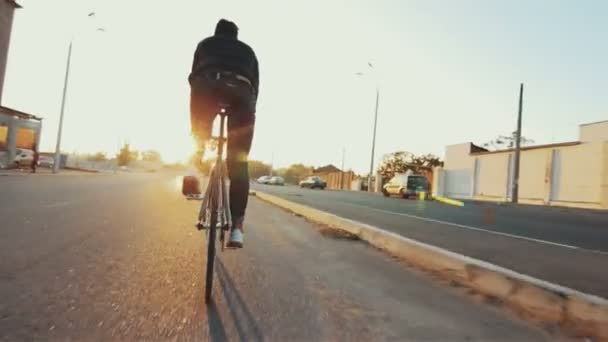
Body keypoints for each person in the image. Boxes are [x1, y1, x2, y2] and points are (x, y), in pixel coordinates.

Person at [189, 19, 259, 248]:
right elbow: (255, 88)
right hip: (241, 94)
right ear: (236, 36)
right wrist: (247, 115)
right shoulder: (248, 51)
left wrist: (200, 115)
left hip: (206, 87)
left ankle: (195, 159)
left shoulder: (205, 44)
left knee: (198, 129)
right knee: (238, 162)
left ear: (217, 33)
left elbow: (193, 76)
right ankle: (237, 229)